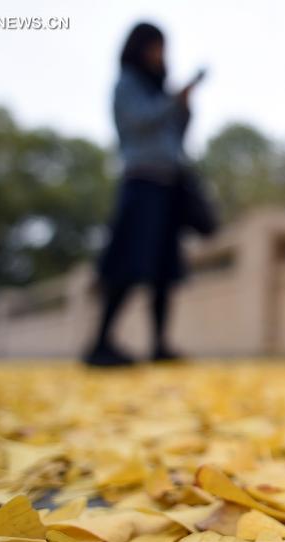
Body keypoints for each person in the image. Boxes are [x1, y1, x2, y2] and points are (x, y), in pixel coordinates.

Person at [83, 22, 204, 367]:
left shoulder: (159, 91)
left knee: (165, 268)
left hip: (169, 185)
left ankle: (160, 343)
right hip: (141, 182)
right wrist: (172, 101)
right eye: (155, 46)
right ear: (139, 48)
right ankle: (101, 342)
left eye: (162, 47)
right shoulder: (127, 85)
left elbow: (177, 136)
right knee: (128, 262)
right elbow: (139, 123)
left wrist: (184, 106)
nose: (160, 54)